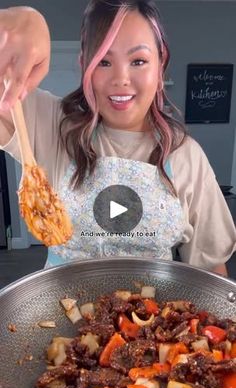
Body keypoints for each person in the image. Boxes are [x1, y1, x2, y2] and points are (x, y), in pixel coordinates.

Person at [0, 0, 235, 275]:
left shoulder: (187, 156)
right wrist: (25, 18)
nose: (120, 78)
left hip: (158, 314)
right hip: (59, 312)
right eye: (103, 61)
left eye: (138, 61)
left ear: (161, 66)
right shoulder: (52, 124)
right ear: (84, 66)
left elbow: (210, 270)